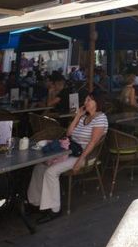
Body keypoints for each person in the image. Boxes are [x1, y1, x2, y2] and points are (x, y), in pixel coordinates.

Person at [27, 93, 109, 223]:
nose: (85, 102)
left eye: (89, 100)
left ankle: (54, 209)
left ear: (97, 103)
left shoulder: (101, 118)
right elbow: (69, 133)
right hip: (70, 150)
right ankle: (35, 203)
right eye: (86, 99)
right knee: (40, 166)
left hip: (84, 155)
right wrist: (77, 116)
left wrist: (81, 160)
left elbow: (92, 143)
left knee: (50, 172)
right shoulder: (84, 118)